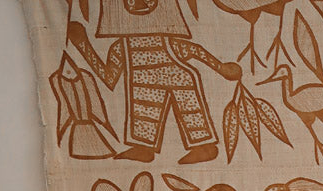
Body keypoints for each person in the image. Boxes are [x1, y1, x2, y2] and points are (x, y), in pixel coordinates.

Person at [67, 0, 241, 164]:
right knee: (144, 114)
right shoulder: (121, 48)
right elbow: (109, 78)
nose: (141, 3)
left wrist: (220, 67)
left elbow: (194, 50)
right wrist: (83, 45)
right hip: (143, 87)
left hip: (179, 79)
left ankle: (203, 146)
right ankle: (143, 148)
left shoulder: (165, 41)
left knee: (190, 112)